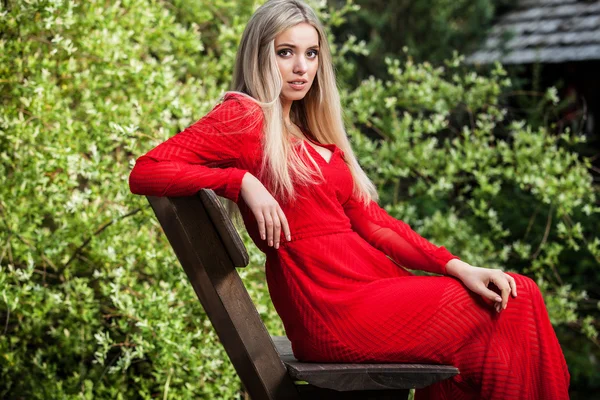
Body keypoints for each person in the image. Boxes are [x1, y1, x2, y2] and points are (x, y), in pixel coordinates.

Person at [128, 0, 571, 398]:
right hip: (329, 306)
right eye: (285, 52)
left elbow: (375, 223)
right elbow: (146, 170)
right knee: (519, 301)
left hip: (368, 287)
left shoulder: (312, 133)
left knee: (508, 311)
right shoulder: (245, 117)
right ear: (260, 54)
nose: (301, 67)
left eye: (311, 53)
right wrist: (240, 181)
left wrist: (459, 266)